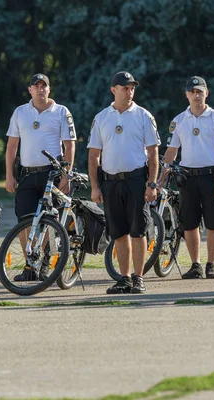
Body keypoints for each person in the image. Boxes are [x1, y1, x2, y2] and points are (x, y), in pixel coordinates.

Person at [88, 71, 160, 294]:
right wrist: (95, 186)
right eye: (125, 87)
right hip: (111, 182)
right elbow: (93, 155)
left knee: (138, 231)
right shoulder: (102, 118)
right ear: (114, 90)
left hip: (137, 180)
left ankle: (138, 278)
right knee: (118, 232)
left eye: (132, 88)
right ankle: (124, 278)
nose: (129, 91)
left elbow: (153, 152)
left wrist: (152, 183)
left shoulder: (143, 116)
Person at [4, 73, 76, 281]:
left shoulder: (61, 112)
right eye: (36, 86)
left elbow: (70, 145)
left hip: (51, 174)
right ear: (30, 90)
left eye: (44, 86)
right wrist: (9, 175)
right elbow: (11, 146)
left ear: (49, 89)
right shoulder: (20, 112)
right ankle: (30, 265)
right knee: (24, 222)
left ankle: (45, 263)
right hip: (27, 173)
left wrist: (66, 175)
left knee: (47, 222)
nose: (40, 89)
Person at [161, 76, 214, 280]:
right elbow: (171, 152)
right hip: (187, 177)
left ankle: (211, 265)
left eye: (200, 91)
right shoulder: (179, 120)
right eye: (192, 92)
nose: (196, 95)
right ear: (187, 95)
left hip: (211, 176)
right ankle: (196, 265)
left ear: (206, 93)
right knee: (189, 224)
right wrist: (161, 177)